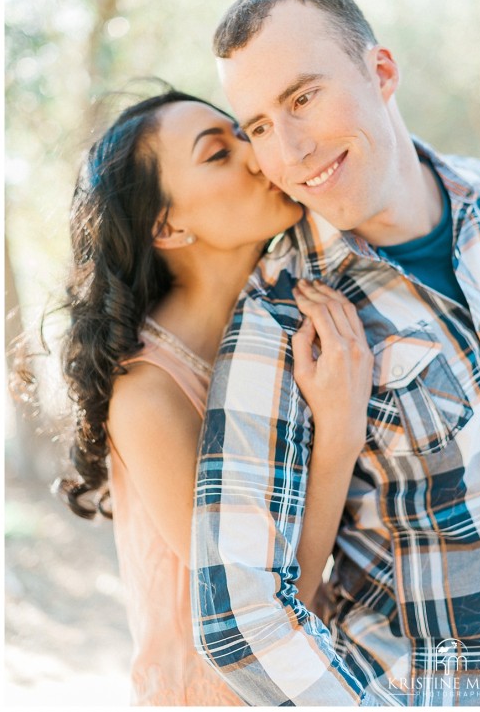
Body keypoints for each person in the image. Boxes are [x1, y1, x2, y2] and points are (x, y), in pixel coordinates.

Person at [191, 0, 480, 706]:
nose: (292, 149)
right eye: (258, 125)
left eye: (303, 98)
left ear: (381, 73)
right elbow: (236, 615)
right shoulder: (284, 318)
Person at [42, 86, 373, 706]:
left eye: (244, 135)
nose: (257, 156)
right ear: (167, 226)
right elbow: (261, 613)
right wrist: (339, 433)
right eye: (218, 154)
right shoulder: (147, 396)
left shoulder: (275, 326)